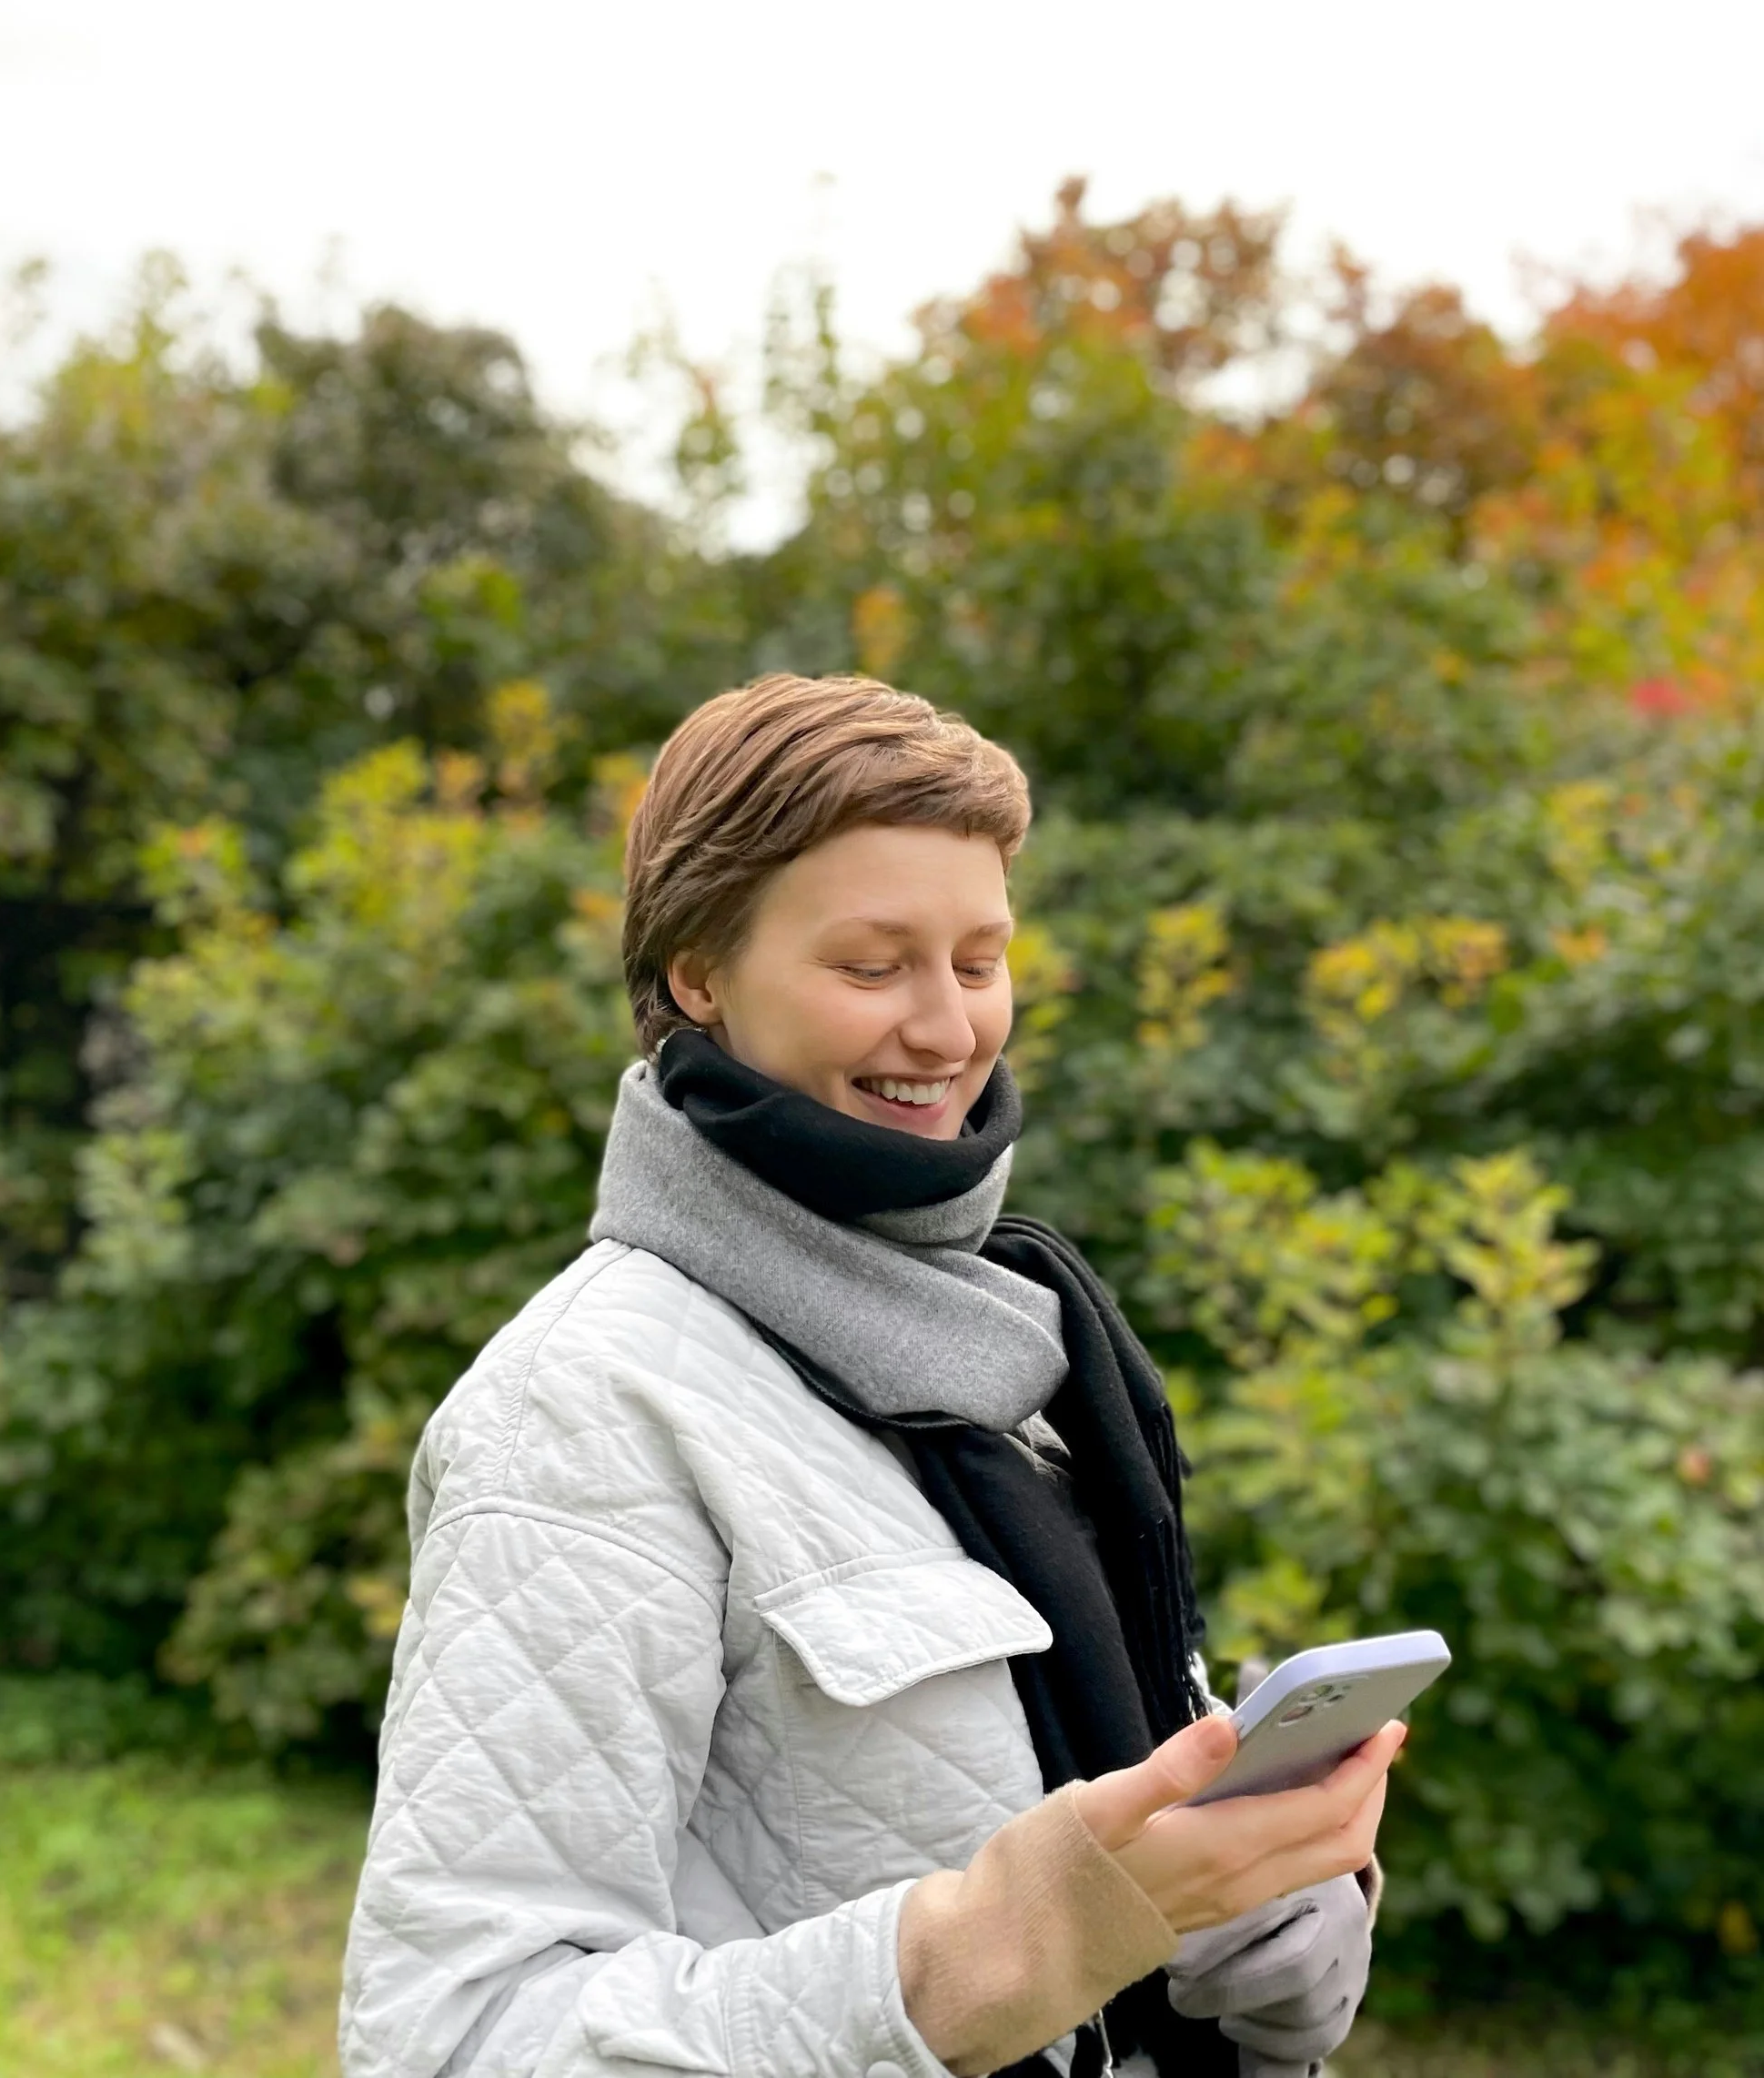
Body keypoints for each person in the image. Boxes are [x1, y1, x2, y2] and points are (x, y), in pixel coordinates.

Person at [341, 675, 1394, 2078]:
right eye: (873, 965)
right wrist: (991, 1956)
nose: (950, 1029)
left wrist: (1269, 1902)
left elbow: (1079, 1765)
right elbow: (461, 2036)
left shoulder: (1025, 1340)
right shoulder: (585, 1410)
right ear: (699, 974)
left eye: (979, 960)